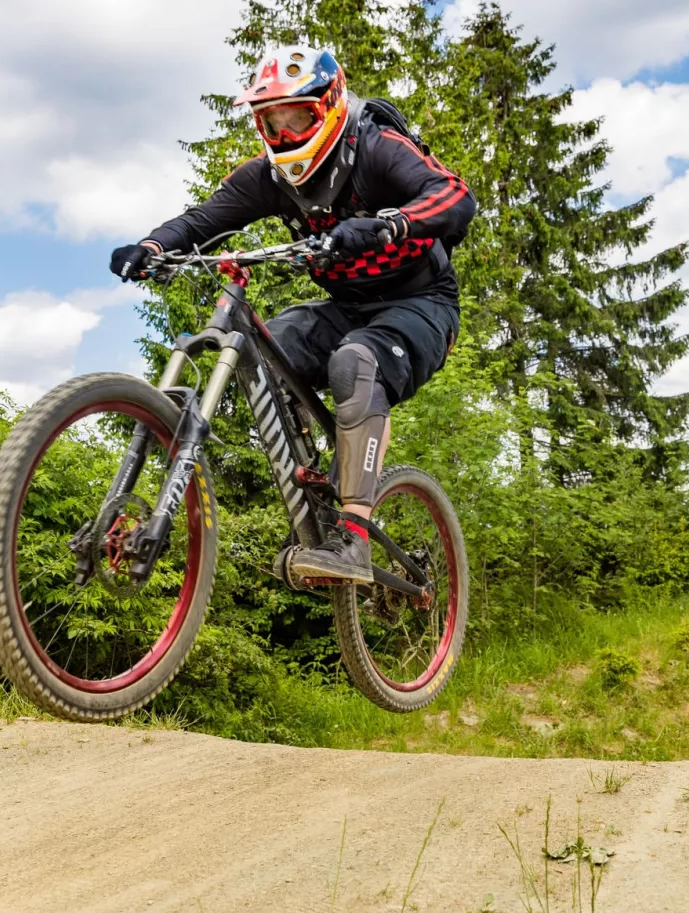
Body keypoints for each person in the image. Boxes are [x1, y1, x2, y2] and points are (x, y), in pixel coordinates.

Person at [108, 44, 476, 582]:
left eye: (296, 118)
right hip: (345, 306)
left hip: (421, 304)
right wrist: (154, 246)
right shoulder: (269, 178)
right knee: (264, 354)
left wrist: (390, 223)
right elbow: (203, 219)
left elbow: (454, 196)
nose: (284, 136)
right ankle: (317, 483)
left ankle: (353, 541)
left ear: (327, 107)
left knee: (355, 363)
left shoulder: (374, 150)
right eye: (271, 123)